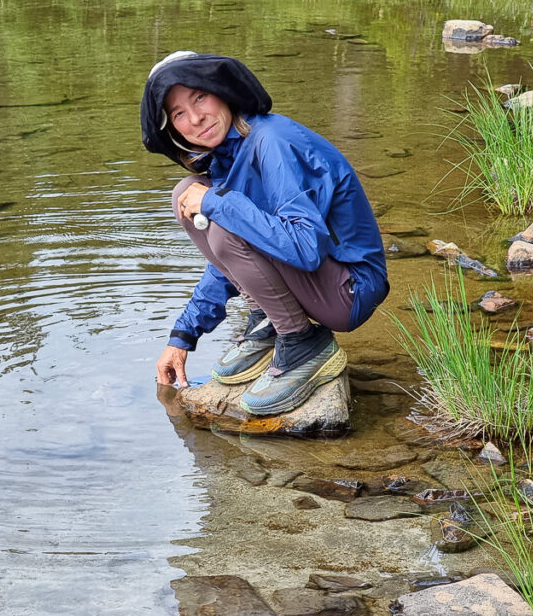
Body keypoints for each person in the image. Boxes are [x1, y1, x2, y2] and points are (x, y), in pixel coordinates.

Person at [140, 51, 389, 416]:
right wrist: (183, 336)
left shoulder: (272, 141)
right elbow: (234, 261)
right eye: (178, 114)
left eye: (199, 97)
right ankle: (269, 319)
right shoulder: (230, 153)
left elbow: (306, 248)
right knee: (186, 194)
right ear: (173, 130)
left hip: (349, 290)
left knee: (217, 211)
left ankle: (302, 341)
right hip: (320, 282)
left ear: (222, 90)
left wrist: (218, 203)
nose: (195, 118)